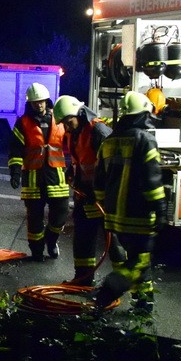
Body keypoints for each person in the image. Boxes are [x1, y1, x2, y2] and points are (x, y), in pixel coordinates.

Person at [92, 91, 167, 314]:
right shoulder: (145, 139)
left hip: (116, 217)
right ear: (143, 114)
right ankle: (106, 293)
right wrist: (160, 209)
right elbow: (152, 180)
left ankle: (144, 303)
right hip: (139, 216)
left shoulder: (109, 140)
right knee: (138, 263)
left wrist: (103, 205)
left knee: (137, 259)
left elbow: (99, 180)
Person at [53, 95, 125, 286]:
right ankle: (83, 279)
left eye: (68, 122)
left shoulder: (98, 131)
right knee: (83, 236)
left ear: (78, 113)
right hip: (86, 195)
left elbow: (113, 168)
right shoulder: (76, 131)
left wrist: (102, 193)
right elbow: (82, 159)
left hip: (103, 198)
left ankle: (124, 283)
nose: (66, 128)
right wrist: (72, 170)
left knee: (115, 241)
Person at [8, 83, 69, 262]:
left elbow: (71, 142)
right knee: (34, 218)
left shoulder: (58, 119)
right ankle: (36, 251)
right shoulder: (23, 122)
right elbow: (15, 149)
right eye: (35, 102)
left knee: (61, 213)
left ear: (47, 101)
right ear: (30, 104)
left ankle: (51, 240)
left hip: (56, 175)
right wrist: (15, 173)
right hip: (33, 179)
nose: (39, 105)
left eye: (41, 102)